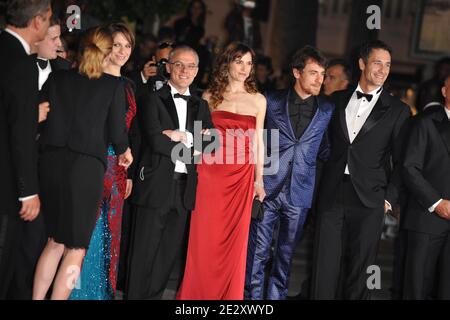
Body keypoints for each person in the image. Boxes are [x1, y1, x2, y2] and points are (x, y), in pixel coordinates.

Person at [32, 26, 133, 300]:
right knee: (76, 248)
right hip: (85, 169)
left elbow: (38, 118)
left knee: (53, 242)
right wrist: (126, 152)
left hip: (50, 164)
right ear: (107, 51)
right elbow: (116, 133)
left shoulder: (58, 78)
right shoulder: (113, 86)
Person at [311, 40, 411, 300]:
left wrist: (389, 198)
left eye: (388, 65)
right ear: (362, 63)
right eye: (377, 62)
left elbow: (402, 162)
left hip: (370, 199)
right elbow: (322, 148)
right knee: (324, 266)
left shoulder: (398, 111)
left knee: (361, 270)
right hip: (332, 193)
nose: (383, 69)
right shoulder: (336, 100)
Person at [176, 42, 266, 300]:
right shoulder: (209, 97)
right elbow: (198, 140)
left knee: (234, 244)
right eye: (239, 61)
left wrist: (259, 181)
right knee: (203, 239)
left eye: (249, 63)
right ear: (227, 63)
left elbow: (259, 143)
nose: (244, 68)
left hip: (241, 178)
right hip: (210, 175)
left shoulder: (259, 100)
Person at [126, 45, 214, 300]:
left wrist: (180, 137)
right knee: (143, 252)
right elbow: (156, 141)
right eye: (179, 64)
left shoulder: (201, 105)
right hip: (155, 184)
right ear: (168, 67)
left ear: (197, 71)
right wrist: (193, 141)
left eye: (191, 66)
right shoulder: (151, 99)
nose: (185, 70)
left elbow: (213, 144)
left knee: (167, 256)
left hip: (185, 188)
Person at [245, 45, 334, 300]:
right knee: (258, 252)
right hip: (267, 187)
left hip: (300, 192)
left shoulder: (326, 110)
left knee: (285, 256)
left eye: (322, 74)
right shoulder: (271, 100)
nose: (320, 79)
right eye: (314, 73)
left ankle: (276, 298)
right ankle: (251, 299)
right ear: (297, 72)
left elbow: (325, 149)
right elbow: (256, 140)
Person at [69, 23, 137, 300]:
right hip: (94, 162)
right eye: (117, 44)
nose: (122, 51)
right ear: (105, 47)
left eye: (127, 45)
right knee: (88, 230)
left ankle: (101, 293)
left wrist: (130, 171)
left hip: (120, 167)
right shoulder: (91, 80)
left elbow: (133, 133)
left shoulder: (129, 85)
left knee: (112, 233)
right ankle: (78, 293)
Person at [10, 14, 71, 300]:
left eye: (60, 37)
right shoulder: (14, 65)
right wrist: (30, 118)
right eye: (53, 37)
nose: (60, 44)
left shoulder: (67, 71)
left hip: (52, 168)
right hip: (13, 165)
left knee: (42, 240)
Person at [0, 0, 51, 299]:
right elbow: (20, 134)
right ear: (36, 22)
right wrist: (28, 191)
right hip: (6, 185)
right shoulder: (22, 62)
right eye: (47, 20)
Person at [402, 73, 450, 299]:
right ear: (444, 91)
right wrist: (436, 202)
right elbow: (409, 168)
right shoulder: (425, 122)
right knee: (418, 287)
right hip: (427, 218)